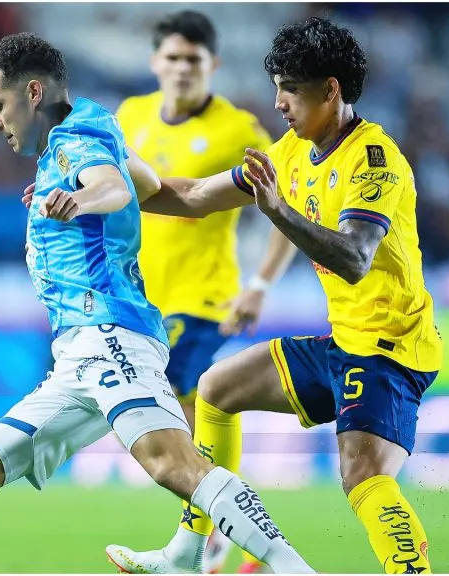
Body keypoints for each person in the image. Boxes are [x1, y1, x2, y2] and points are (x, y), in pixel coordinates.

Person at [0, 32, 314, 575]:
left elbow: (110, 187)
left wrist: (79, 199)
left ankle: (293, 569)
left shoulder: (72, 142)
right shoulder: (95, 124)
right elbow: (156, 187)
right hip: (77, 356)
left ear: (33, 92)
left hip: (108, 335)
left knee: (171, 464)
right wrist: (239, 183)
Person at [107, 17, 442, 574]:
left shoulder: (373, 159)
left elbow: (357, 258)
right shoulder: (289, 153)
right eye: (277, 86)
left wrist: (279, 212)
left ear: (330, 89)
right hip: (345, 340)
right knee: (216, 388)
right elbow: (191, 195)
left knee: (362, 476)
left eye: (290, 87)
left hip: (390, 349)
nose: (279, 102)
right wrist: (106, 190)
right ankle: (192, 552)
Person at [115, 11, 298, 573]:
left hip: (205, 298)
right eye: (171, 58)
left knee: (179, 405)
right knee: (196, 414)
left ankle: (207, 540)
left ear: (212, 65)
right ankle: (238, 539)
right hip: (140, 297)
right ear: (154, 63)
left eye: (193, 59)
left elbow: (285, 205)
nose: (181, 69)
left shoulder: (238, 129)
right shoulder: (130, 115)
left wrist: (261, 283)